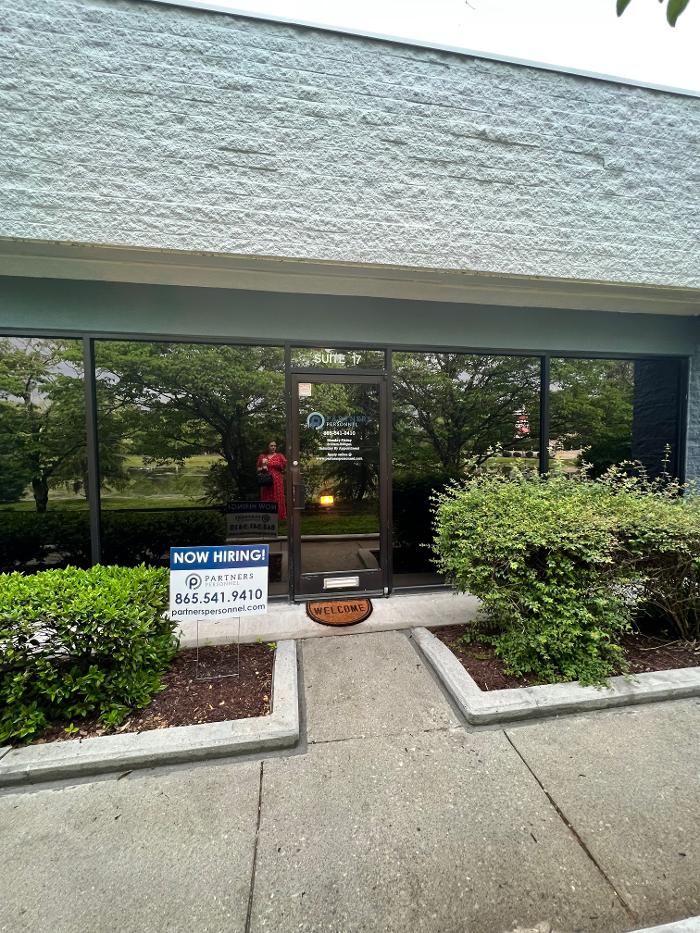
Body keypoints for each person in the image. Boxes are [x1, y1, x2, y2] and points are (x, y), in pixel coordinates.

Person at [257, 440, 287, 520]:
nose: (273, 447)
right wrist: (263, 467)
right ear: (267, 447)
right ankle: (266, 516)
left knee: (277, 496)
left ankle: (279, 516)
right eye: (271, 446)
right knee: (266, 496)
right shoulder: (262, 456)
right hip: (266, 479)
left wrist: (270, 463)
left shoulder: (280, 456)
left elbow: (284, 466)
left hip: (277, 480)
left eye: (275, 446)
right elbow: (258, 469)